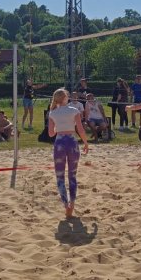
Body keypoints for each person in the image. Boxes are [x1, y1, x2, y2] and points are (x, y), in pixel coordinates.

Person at [48, 88, 89, 218]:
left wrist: (58, 126)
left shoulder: (52, 113)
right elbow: (80, 130)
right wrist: (86, 143)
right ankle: (72, 203)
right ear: (65, 98)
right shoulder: (74, 110)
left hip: (60, 143)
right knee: (72, 176)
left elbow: (51, 133)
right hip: (72, 142)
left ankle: (66, 205)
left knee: (60, 176)